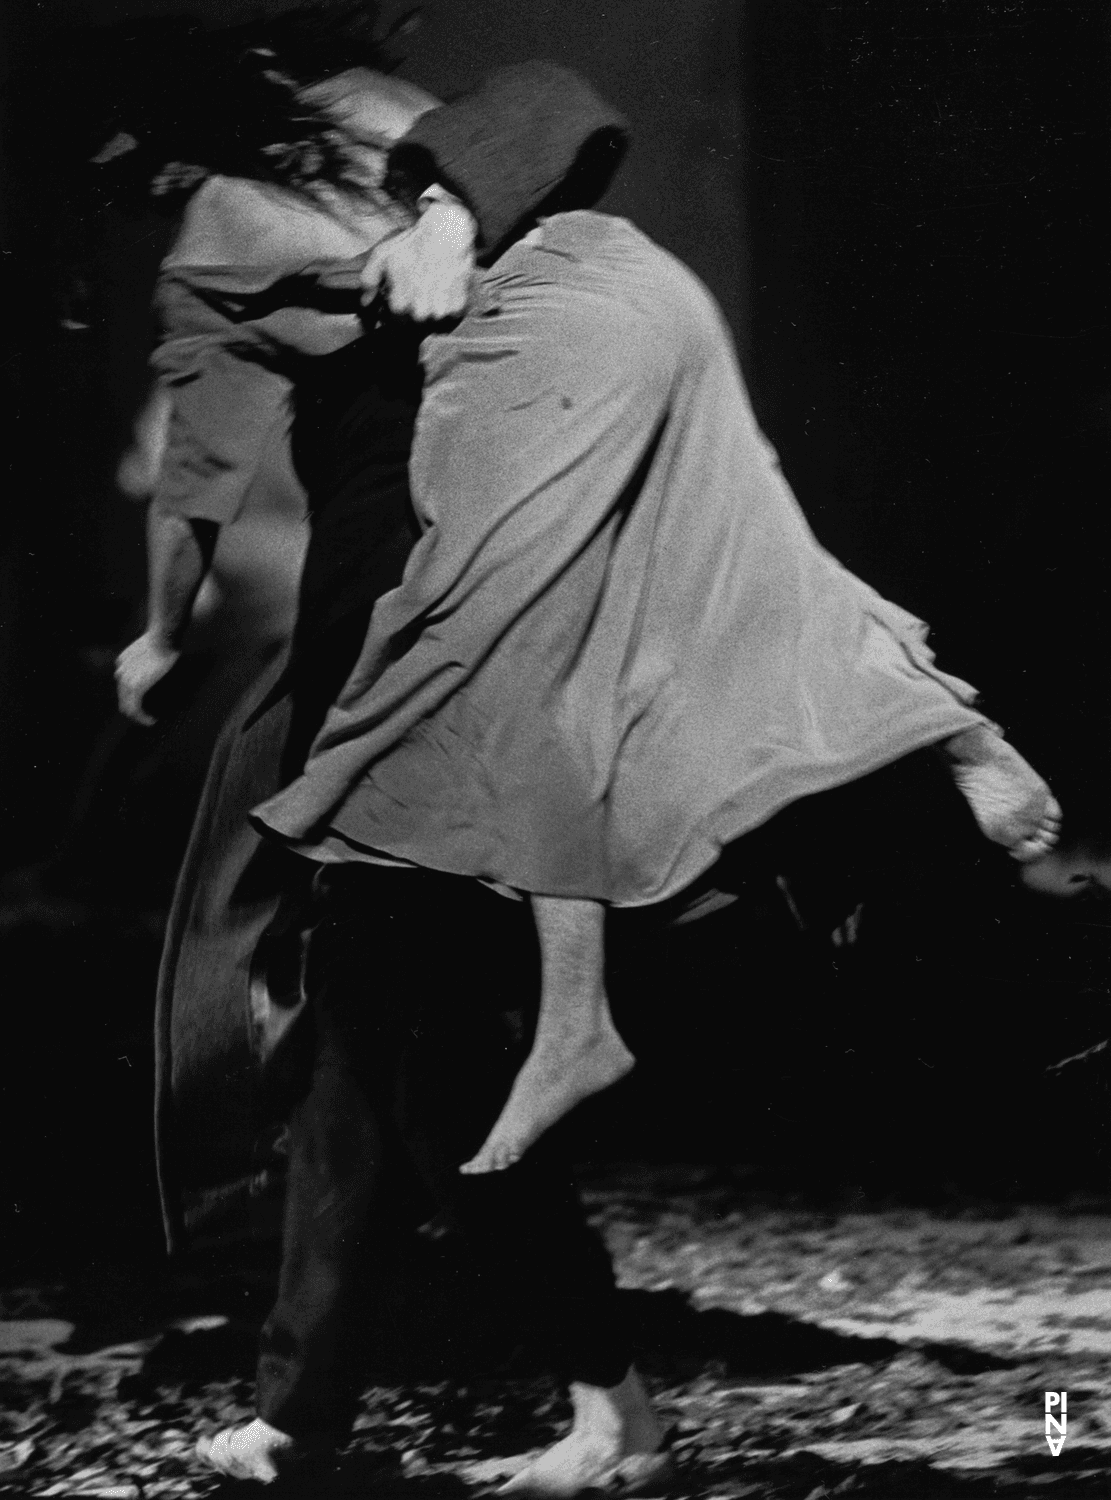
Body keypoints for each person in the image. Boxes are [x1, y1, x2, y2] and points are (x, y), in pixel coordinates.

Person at [108, 11, 667, 1490]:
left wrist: (158, 640)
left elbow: (197, 483)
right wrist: (439, 201)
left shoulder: (221, 227)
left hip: (402, 604)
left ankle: (603, 1396)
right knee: (368, 1017)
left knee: (393, 1032)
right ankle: (307, 1407)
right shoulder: (420, 134)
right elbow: (556, 109)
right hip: (520, 559)